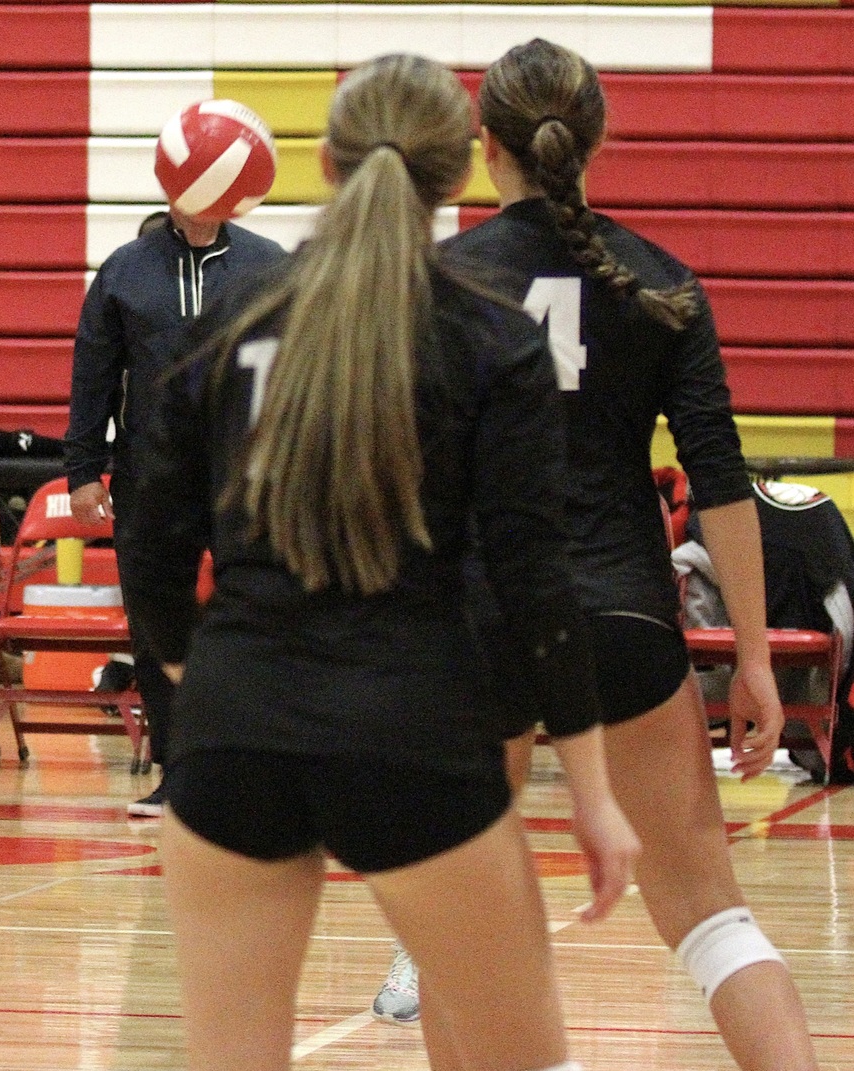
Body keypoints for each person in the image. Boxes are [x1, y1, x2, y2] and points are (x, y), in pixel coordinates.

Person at [118, 54, 639, 1071]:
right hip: (410, 729)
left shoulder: (230, 322)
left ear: (326, 161)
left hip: (236, 732)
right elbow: (536, 578)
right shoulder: (487, 335)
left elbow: (151, 536)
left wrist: (199, 679)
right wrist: (590, 788)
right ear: (462, 172)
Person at [424, 38, 819, 1071]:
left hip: (483, 625)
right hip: (625, 617)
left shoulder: (442, 280)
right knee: (710, 917)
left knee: (457, 924)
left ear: (486, 145)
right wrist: (756, 659)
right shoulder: (662, 281)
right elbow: (720, 480)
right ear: (596, 141)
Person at [64, 129, 287, 818]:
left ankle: (266, 762)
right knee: (157, 623)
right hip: (150, 473)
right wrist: (82, 470)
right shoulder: (126, 269)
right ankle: (178, 770)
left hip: (249, 470)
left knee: (262, 611)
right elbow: (93, 375)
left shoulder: (269, 264)